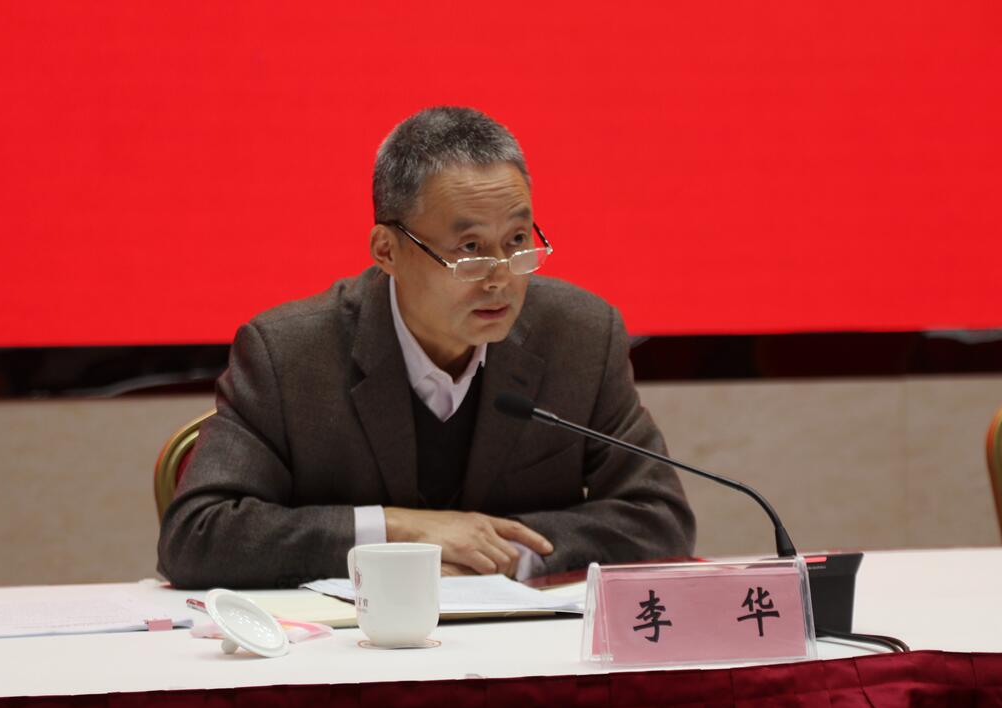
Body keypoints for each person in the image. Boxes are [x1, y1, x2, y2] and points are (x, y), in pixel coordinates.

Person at [158, 106, 694, 589]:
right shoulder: (289, 354)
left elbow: (659, 517)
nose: (501, 278)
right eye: (469, 249)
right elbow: (197, 536)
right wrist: (398, 532)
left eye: (517, 241)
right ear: (386, 250)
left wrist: (499, 552)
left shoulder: (580, 336)